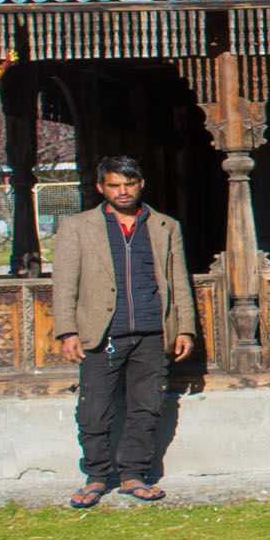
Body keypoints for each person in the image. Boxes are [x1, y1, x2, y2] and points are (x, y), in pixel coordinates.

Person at [51, 155, 196, 508]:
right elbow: (64, 283)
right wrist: (67, 330)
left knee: (147, 405)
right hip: (100, 333)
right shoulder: (78, 227)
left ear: (140, 184)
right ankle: (96, 477)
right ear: (101, 187)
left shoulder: (164, 226)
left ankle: (134, 474)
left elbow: (179, 282)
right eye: (114, 185)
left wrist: (185, 329)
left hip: (151, 331)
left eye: (128, 184)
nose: (122, 191)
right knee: (94, 409)